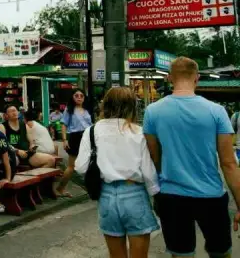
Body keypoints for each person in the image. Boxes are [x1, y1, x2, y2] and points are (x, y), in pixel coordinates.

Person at [143, 57, 240, 258]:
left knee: (182, 254)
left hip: (172, 196)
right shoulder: (217, 111)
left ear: (169, 78)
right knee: (221, 253)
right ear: (197, 78)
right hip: (211, 196)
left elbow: (154, 156)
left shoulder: (152, 112)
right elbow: (229, 163)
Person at [74, 87, 159, 258]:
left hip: (107, 197)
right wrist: (156, 195)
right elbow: (149, 172)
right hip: (134, 194)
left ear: (105, 105)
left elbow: (81, 167)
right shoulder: (138, 132)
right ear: (132, 106)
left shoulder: (91, 131)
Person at [57, 90, 92, 198]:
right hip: (75, 137)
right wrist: (64, 140)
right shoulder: (69, 109)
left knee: (89, 163)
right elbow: (64, 124)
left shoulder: (87, 110)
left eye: (81, 96)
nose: (79, 97)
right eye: (76, 95)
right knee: (72, 166)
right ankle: (60, 188)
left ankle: (90, 187)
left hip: (87, 136)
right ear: (72, 97)